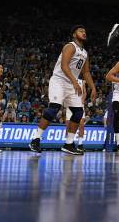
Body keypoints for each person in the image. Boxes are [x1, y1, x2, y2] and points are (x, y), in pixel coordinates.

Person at [29, 25, 97, 155]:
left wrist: (93, 88)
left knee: (78, 113)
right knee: (54, 108)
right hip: (59, 80)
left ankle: (69, 144)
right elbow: (64, 66)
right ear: (74, 34)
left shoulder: (85, 52)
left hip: (72, 82)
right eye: (80, 31)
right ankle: (35, 139)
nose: (84, 32)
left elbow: (86, 72)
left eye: (85, 31)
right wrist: (74, 82)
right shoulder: (70, 46)